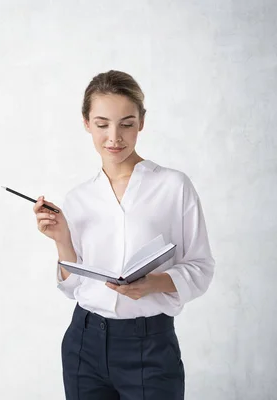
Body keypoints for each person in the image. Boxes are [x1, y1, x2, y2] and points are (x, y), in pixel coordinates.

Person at [33, 70, 215, 400]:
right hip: (83, 343)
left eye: (126, 123)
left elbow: (201, 267)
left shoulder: (173, 186)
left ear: (141, 122)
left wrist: (155, 283)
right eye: (102, 124)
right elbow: (74, 286)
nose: (114, 137)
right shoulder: (78, 198)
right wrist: (62, 239)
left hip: (150, 346)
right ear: (87, 123)